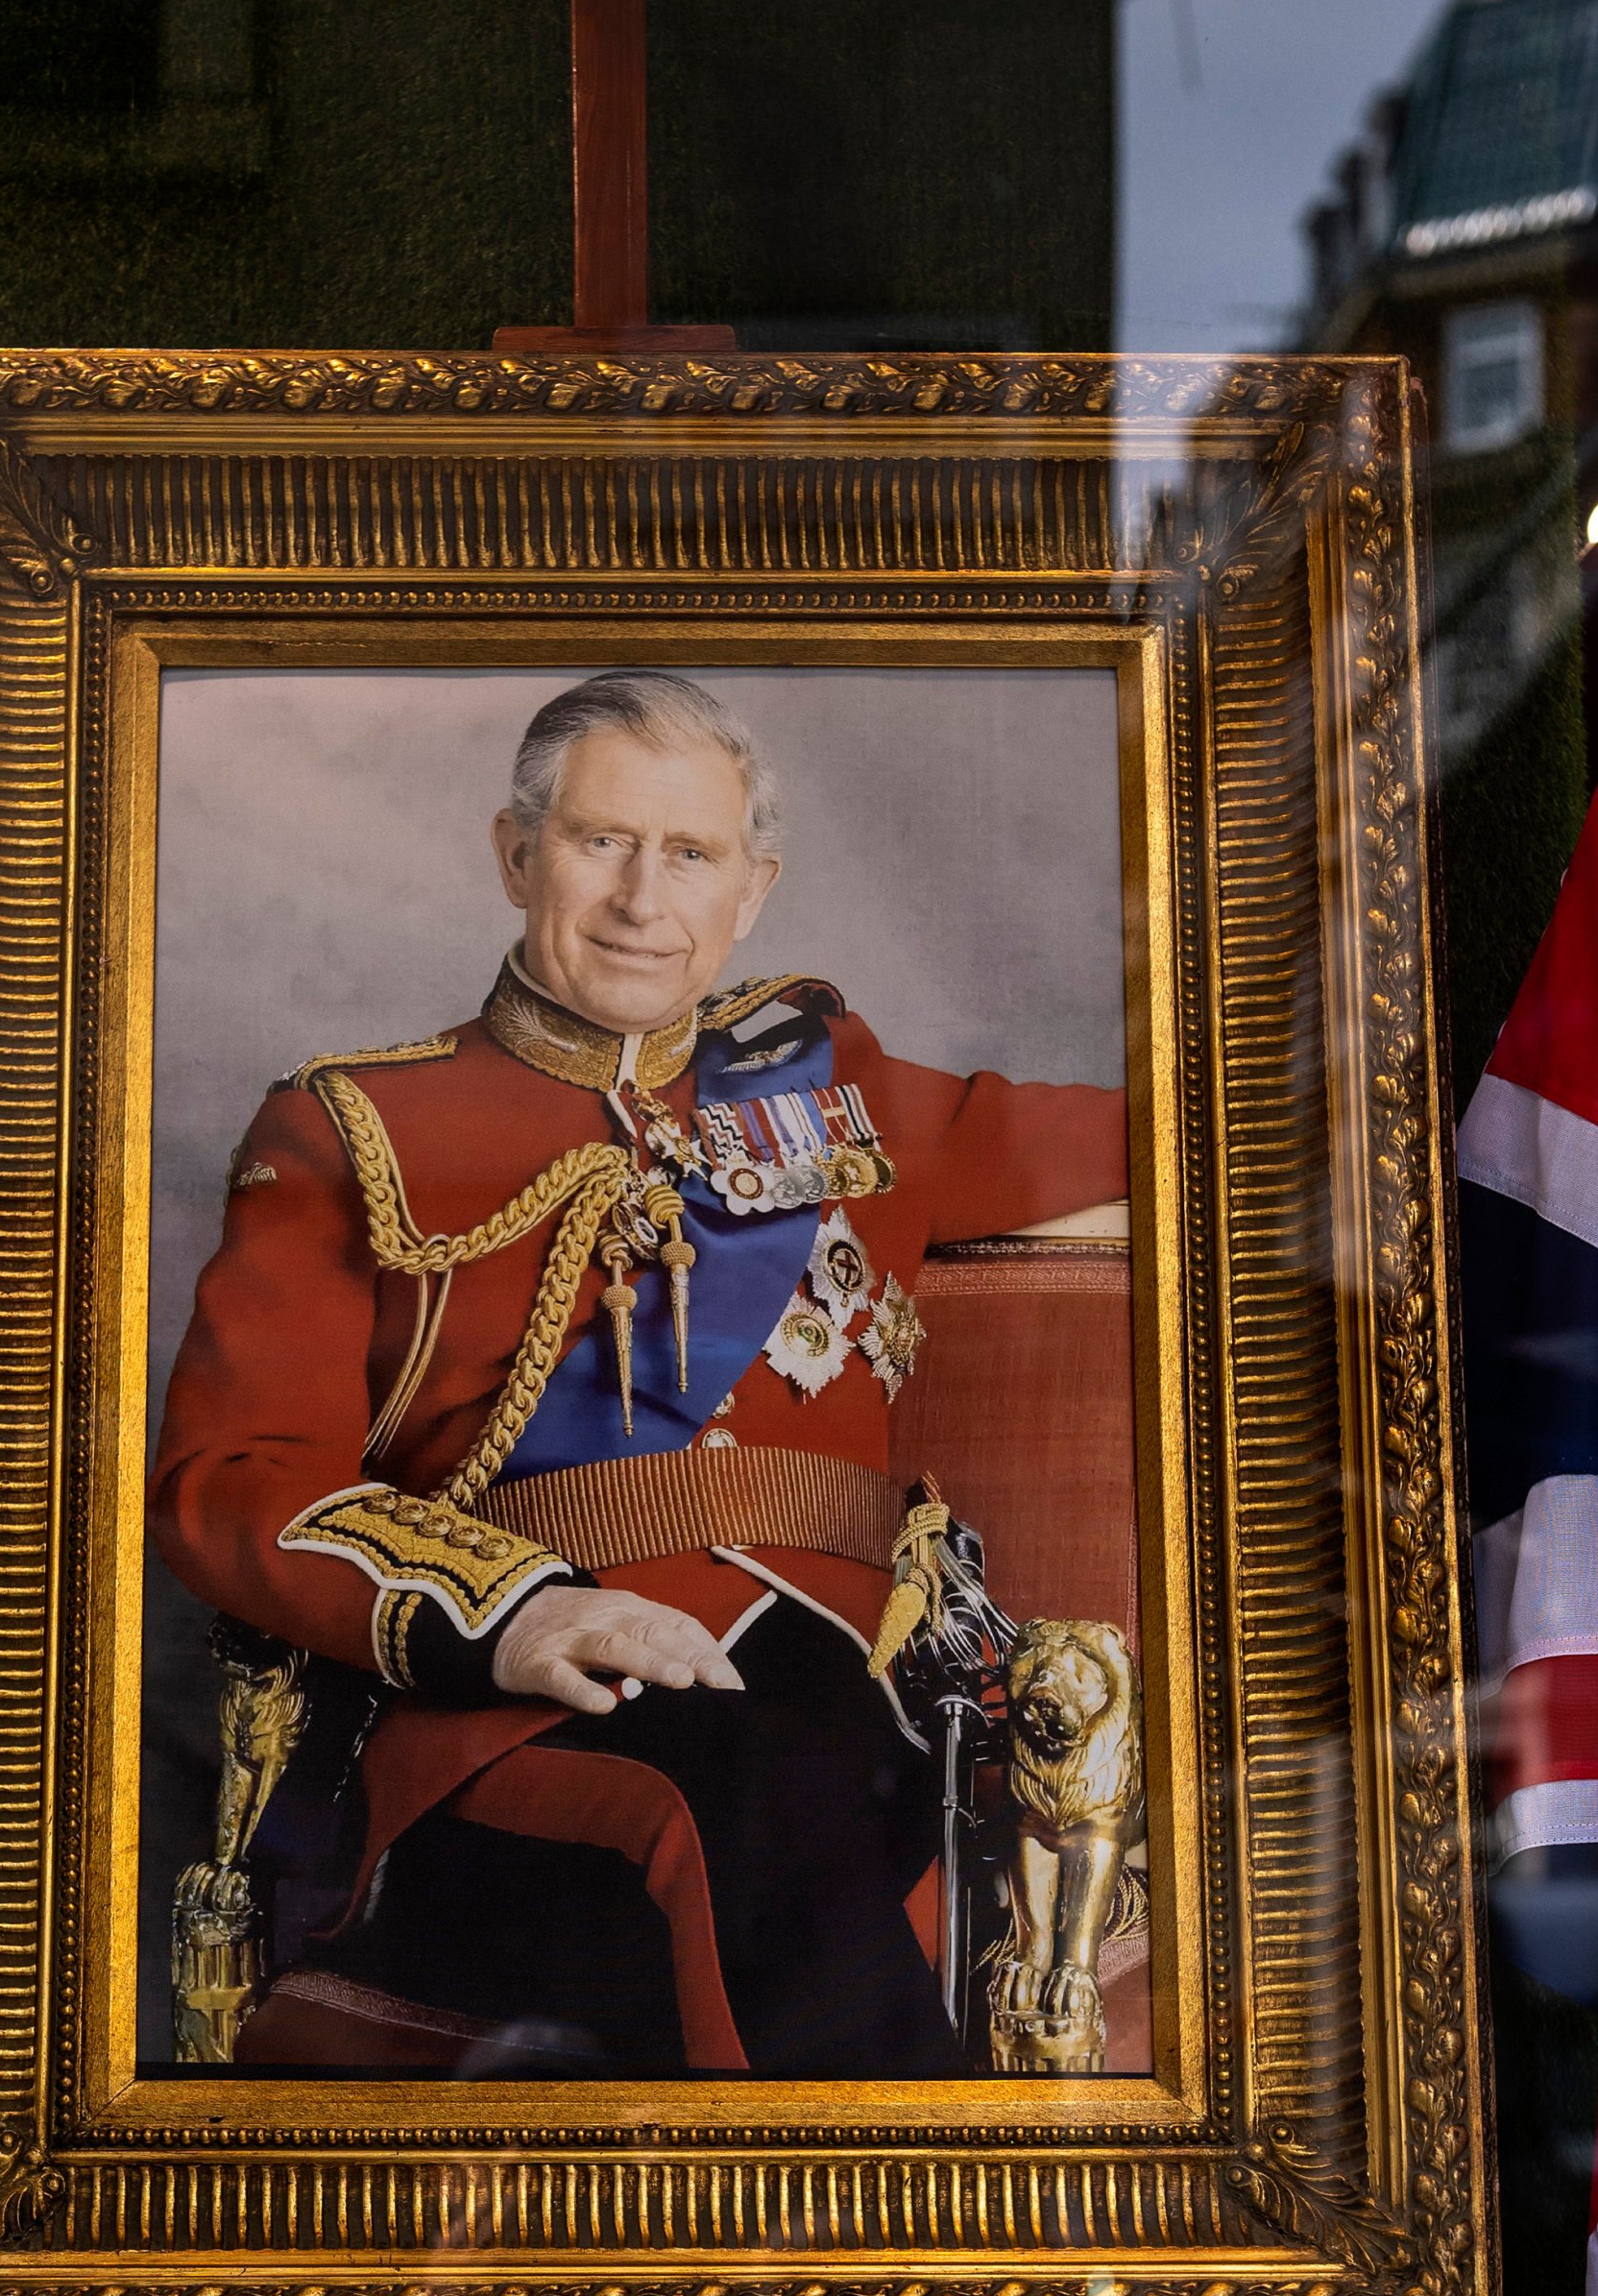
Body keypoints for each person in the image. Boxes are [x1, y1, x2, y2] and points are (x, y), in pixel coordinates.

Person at [150, 669, 1126, 2075]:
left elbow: (1174, 1143)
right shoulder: (350, 1128)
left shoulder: (822, 1078)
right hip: (522, 1742)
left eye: (690, 853)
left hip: (865, 1698)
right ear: (517, 853)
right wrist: (511, 1618)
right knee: (765, 1789)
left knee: (839, 1771)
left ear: (754, 886)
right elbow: (226, 1482)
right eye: (601, 840)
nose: (638, 898)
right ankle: (914, 2270)